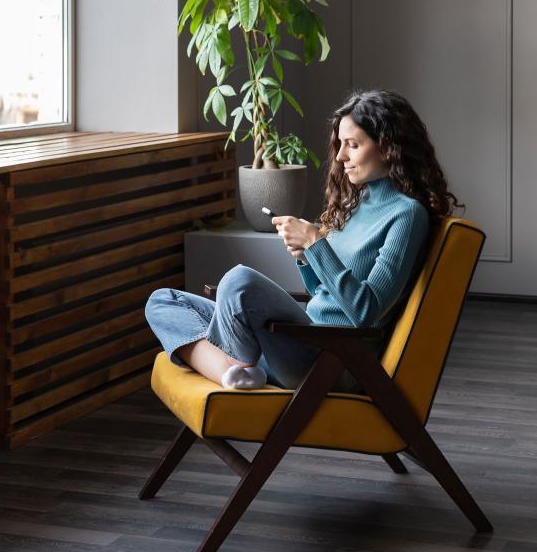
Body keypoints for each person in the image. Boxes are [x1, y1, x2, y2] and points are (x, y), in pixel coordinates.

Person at [144, 90, 463, 392]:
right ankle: (232, 372)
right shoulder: (360, 203)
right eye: (340, 144)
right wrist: (305, 258)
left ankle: (236, 365)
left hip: (334, 359)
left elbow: (365, 311)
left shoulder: (407, 215)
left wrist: (316, 244)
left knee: (239, 281)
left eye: (353, 144)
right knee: (164, 301)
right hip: (303, 339)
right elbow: (320, 295)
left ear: (388, 146)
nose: (340, 156)